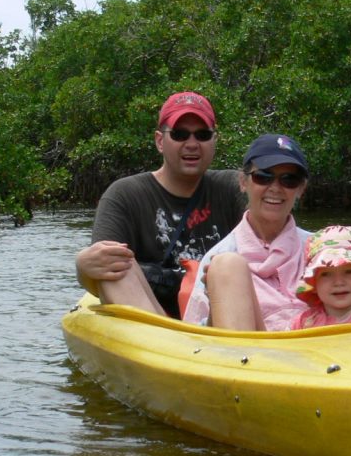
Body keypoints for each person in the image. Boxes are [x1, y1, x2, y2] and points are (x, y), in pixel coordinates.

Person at [183, 134, 351, 339]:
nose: (275, 188)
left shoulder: (325, 250)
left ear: (301, 189)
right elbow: (192, 337)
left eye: (289, 180)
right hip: (259, 360)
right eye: (263, 176)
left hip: (328, 355)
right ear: (243, 182)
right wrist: (216, 314)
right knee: (227, 264)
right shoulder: (220, 258)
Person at [74, 91, 246, 317]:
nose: (192, 144)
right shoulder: (124, 194)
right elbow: (103, 272)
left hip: (219, 314)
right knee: (114, 265)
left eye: (202, 135)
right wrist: (82, 269)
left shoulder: (237, 186)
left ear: (215, 140)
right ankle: (170, 344)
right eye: (180, 134)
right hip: (153, 318)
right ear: (159, 141)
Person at [289, 225, 351, 330]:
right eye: (326, 274)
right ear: (313, 283)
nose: (339, 282)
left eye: (349, 272)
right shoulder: (303, 322)